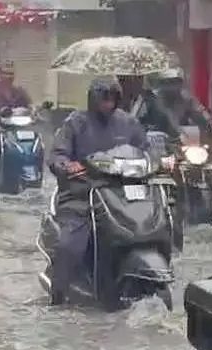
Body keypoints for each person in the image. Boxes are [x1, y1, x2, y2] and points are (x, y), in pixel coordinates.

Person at [48, 77, 149, 304]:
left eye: (113, 98)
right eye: (104, 98)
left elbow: (146, 150)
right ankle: (58, 295)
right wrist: (67, 165)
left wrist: (161, 160)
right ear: (93, 99)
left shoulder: (129, 123)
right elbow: (57, 155)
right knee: (70, 245)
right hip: (82, 193)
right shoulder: (75, 122)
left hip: (121, 194)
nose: (108, 104)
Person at [152, 67, 212, 142]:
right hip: (158, 139)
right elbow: (170, 117)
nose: (172, 86)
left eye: (175, 82)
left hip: (180, 140)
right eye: (168, 82)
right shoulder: (156, 99)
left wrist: (209, 122)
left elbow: (199, 110)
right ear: (161, 84)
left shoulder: (185, 97)